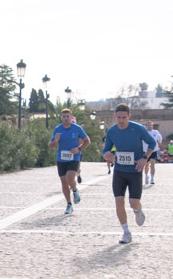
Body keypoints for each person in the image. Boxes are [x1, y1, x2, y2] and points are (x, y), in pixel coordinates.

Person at [101, 104, 157, 244]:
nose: (121, 120)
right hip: (119, 171)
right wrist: (106, 155)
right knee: (119, 201)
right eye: (119, 117)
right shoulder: (111, 131)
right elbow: (106, 149)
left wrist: (144, 158)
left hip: (135, 170)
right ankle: (126, 232)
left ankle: (138, 210)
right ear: (115, 116)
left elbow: (152, 143)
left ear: (129, 116)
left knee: (133, 203)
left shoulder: (138, 129)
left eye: (124, 117)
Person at [49, 108, 90, 214]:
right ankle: (69, 204)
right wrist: (56, 141)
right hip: (61, 158)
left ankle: (75, 190)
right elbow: (51, 146)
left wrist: (79, 149)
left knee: (70, 178)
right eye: (64, 117)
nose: (66, 118)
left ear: (71, 117)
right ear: (61, 118)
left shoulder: (77, 128)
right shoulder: (57, 129)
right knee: (64, 181)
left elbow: (87, 141)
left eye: (68, 116)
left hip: (74, 157)